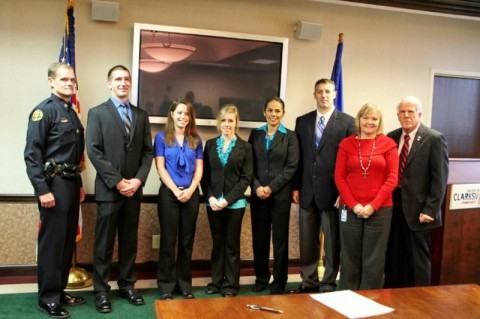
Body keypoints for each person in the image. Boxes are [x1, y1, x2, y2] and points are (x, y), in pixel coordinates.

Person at [86, 65, 153, 313]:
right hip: (108, 190)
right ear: (109, 83)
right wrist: (118, 181)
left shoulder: (141, 115)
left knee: (128, 242)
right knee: (104, 244)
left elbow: (148, 151)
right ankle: (101, 291)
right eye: (118, 79)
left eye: (126, 79)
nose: (123, 83)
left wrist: (137, 180)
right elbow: (94, 150)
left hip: (134, 191)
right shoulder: (97, 113)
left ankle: (127, 285)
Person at [24, 62, 86, 319]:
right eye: (64, 79)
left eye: (72, 80)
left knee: (66, 242)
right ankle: (47, 298)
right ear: (51, 81)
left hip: (71, 184)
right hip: (54, 186)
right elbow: (32, 155)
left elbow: (74, 157)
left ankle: (59, 291)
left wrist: (80, 186)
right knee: (52, 244)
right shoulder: (44, 112)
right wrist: (42, 190)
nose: (70, 83)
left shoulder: (71, 112)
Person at [290, 78, 356, 294]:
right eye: (320, 91)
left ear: (335, 94)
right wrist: (296, 187)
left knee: (331, 243)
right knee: (307, 242)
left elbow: (350, 162)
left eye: (328, 91)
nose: (324, 95)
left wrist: (344, 193)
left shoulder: (347, 122)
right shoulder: (303, 122)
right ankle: (308, 281)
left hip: (333, 194)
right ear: (314, 94)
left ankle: (328, 282)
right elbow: (298, 158)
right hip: (307, 192)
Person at [384, 96, 449, 288]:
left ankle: (422, 299)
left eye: (411, 111)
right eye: (402, 112)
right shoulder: (392, 136)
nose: (406, 115)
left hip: (420, 210)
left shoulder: (434, 138)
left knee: (418, 258)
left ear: (419, 114)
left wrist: (431, 209)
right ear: (397, 115)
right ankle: (393, 294)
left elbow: (440, 179)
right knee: (394, 254)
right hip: (394, 206)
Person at [334, 103, 399, 290]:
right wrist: (354, 205)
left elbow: (392, 179)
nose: (369, 122)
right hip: (350, 209)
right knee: (349, 257)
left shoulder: (389, 145)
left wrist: (373, 206)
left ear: (379, 122)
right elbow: (339, 177)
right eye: (366, 118)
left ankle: (371, 299)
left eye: (374, 119)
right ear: (359, 120)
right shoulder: (346, 145)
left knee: (374, 259)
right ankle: (347, 296)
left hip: (380, 211)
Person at [248, 97, 299, 295]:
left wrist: (270, 187)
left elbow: (291, 167)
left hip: (280, 197)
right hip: (258, 195)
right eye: (270, 110)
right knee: (259, 239)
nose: (273, 114)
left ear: (283, 114)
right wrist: (257, 187)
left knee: (279, 241)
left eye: (278, 111)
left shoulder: (291, 137)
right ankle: (261, 277)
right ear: (264, 111)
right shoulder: (256, 134)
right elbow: (248, 164)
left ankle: (279, 281)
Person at [201, 105, 253, 297]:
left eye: (231, 120)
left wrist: (227, 200)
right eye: (224, 120)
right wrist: (211, 197)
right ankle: (216, 282)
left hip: (235, 204)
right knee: (217, 243)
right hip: (212, 202)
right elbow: (204, 176)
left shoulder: (245, 147)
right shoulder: (209, 145)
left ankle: (230, 285)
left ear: (236, 123)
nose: (227, 124)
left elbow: (246, 179)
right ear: (219, 122)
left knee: (231, 244)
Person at [154, 99, 203, 300]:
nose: (183, 117)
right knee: (168, 241)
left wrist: (191, 189)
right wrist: (175, 190)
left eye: (187, 114)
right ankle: (166, 286)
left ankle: (184, 285)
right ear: (172, 114)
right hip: (169, 194)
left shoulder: (196, 140)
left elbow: (199, 168)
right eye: (180, 113)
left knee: (186, 241)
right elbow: (160, 167)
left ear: (190, 118)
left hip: (191, 194)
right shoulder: (161, 137)